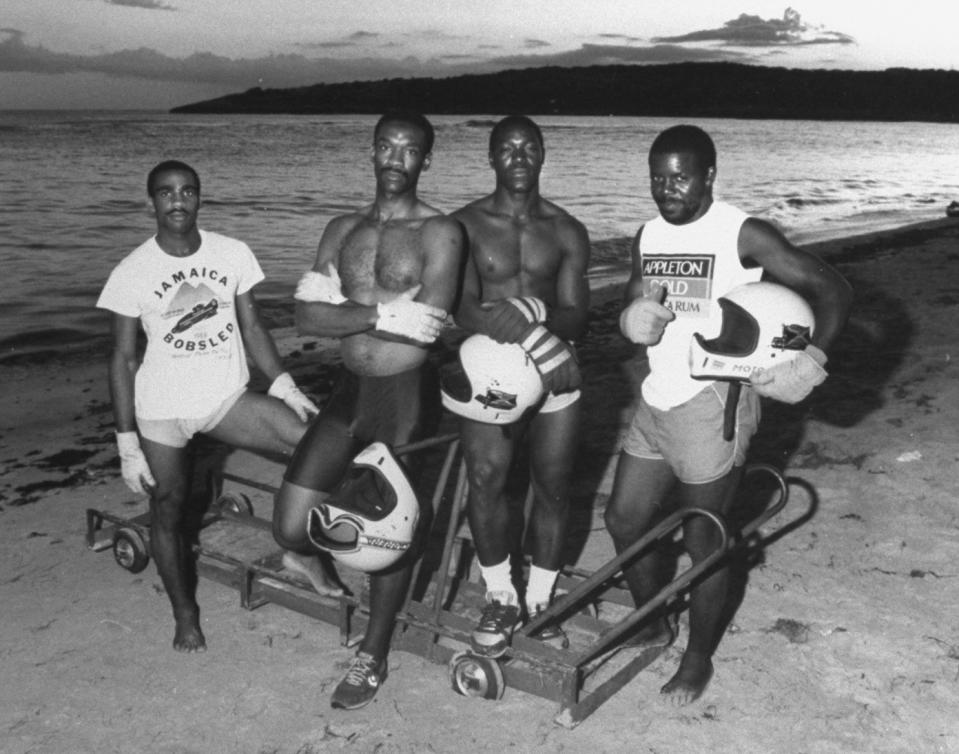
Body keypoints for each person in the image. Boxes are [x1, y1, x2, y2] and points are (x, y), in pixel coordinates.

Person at [604, 125, 852, 705]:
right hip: (656, 396)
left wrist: (811, 357)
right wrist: (628, 317)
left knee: (703, 538)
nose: (668, 189)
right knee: (623, 519)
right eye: (658, 178)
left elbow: (834, 290)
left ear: (710, 175)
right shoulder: (649, 233)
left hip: (715, 404)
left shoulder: (743, 233)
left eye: (681, 176)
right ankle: (655, 621)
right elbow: (635, 297)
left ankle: (697, 659)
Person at [97, 160, 341, 654]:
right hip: (163, 410)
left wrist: (286, 387)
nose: (178, 201)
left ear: (200, 197)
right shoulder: (132, 270)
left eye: (187, 191)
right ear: (151, 203)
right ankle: (185, 613)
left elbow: (253, 328)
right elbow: (123, 359)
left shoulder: (232, 253)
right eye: (166, 193)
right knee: (168, 504)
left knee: (312, 445)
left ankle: (300, 550)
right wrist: (126, 440)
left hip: (225, 398)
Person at [272, 112, 463, 710]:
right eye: (386, 146)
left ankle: (373, 656)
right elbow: (305, 318)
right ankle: (319, 562)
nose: (395, 158)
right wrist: (383, 314)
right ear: (372, 150)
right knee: (288, 525)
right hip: (347, 389)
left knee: (389, 538)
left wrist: (349, 311)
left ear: (425, 161)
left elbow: (426, 327)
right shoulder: (341, 228)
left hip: (406, 396)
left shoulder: (442, 233)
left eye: (409, 150)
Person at [451, 115, 591, 657]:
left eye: (528, 147)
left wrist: (533, 320)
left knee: (553, 486)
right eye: (506, 148)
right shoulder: (462, 226)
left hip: (559, 368)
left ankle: (540, 600)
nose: (518, 156)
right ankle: (500, 596)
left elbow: (577, 314)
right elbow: (460, 305)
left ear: (542, 155)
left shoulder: (566, 229)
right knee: (487, 478)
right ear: (490, 158)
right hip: (491, 366)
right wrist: (531, 334)